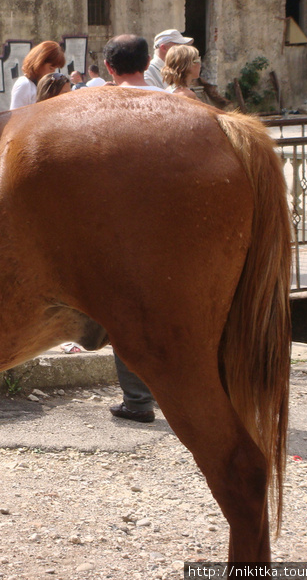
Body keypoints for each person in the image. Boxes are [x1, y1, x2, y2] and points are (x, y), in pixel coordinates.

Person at [102, 33, 168, 423]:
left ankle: (139, 400)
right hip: (171, 224)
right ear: (147, 63)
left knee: (124, 313)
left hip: (124, 229)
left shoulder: (99, 109)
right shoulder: (173, 104)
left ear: (109, 67)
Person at [9, 41, 66, 110]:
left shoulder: (42, 86)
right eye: (51, 68)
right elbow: (16, 117)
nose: (53, 73)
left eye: (55, 69)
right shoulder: (25, 84)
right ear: (39, 63)